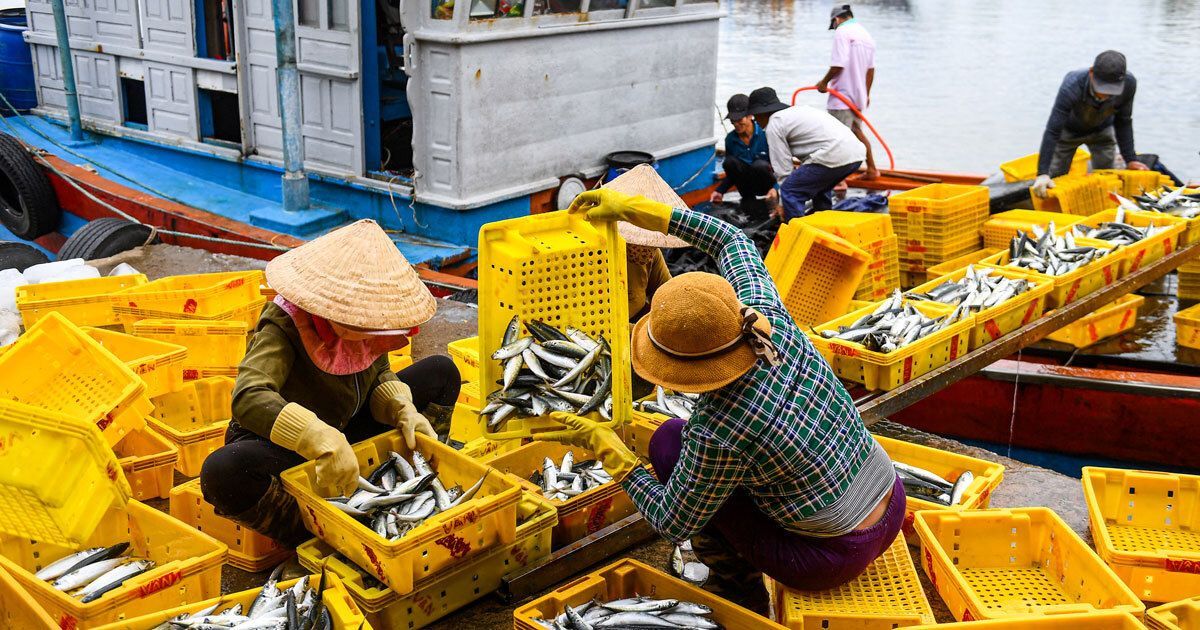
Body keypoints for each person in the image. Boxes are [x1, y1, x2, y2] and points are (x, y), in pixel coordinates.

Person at [542, 188, 903, 613]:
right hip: (891, 504)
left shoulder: (719, 430)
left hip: (827, 559)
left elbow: (671, 519)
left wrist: (609, 450)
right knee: (696, 452)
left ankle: (740, 592)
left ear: (684, 368)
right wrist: (638, 211)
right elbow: (731, 239)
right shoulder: (765, 317)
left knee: (668, 444)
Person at [200, 220, 461, 547]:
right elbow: (249, 395)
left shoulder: (371, 322)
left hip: (346, 429)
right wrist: (316, 436)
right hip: (290, 446)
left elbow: (377, 371)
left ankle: (426, 477)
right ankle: (317, 534)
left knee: (442, 372)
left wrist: (401, 408)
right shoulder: (282, 325)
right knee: (222, 472)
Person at [1033, 50, 1148, 198]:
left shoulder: (1129, 85)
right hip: (1069, 132)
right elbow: (1053, 130)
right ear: (1091, 73)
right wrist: (1042, 173)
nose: (1104, 95)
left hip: (1102, 132)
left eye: (1111, 91)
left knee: (1106, 179)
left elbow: (1123, 121)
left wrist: (1130, 159)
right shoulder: (1072, 85)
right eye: (1102, 88)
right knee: (1054, 178)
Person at [748, 86, 865, 220]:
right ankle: (823, 223)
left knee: (790, 191)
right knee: (820, 187)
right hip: (856, 154)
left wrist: (782, 205)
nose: (755, 121)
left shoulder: (774, 123)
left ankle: (798, 233)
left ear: (763, 113)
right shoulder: (796, 112)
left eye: (755, 116)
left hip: (833, 154)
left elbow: (783, 170)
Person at [602, 163, 688, 322]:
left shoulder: (651, 254)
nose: (649, 250)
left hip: (638, 323)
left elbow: (667, 293)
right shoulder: (598, 258)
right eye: (641, 243)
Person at [816, 4, 879, 180]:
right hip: (857, 96)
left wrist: (824, 82)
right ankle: (872, 169)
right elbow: (870, 70)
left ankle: (839, 180)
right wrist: (866, 94)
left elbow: (838, 63)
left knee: (836, 138)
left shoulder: (842, 32)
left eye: (834, 24)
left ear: (836, 20)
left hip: (841, 95)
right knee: (857, 133)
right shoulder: (866, 35)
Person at [710, 94, 779, 217]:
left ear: (750, 115)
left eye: (739, 119)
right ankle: (749, 200)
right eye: (732, 120)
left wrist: (776, 188)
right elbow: (732, 173)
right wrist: (719, 191)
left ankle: (773, 196)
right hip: (747, 187)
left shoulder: (766, 134)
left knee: (760, 165)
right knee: (729, 162)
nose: (736, 124)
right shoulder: (730, 139)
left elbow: (781, 167)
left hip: (768, 184)